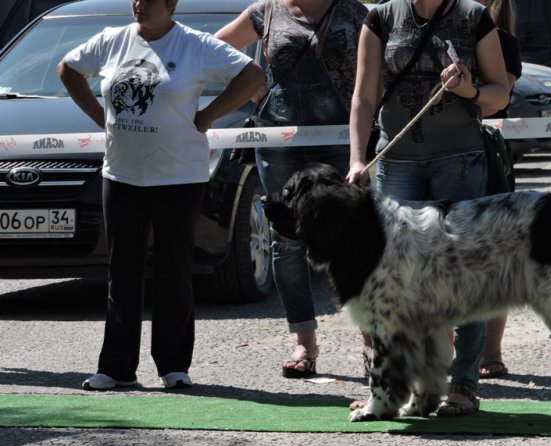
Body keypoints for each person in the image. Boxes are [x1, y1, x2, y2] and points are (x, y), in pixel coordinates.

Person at [60, 0, 264, 391]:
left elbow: (251, 74)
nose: (139, 5)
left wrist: (208, 116)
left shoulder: (195, 45)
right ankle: (116, 367)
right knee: (122, 270)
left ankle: (173, 366)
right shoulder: (111, 40)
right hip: (122, 175)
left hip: (178, 177)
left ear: (171, 4)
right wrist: (98, 117)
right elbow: (67, 69)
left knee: (173, 269)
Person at [347, 0, 509, 416]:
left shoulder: (474, 17)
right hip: (396, 165)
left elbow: (499, 94)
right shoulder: (380, 17)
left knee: (465, 276)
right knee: (396, 288)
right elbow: (364, 98)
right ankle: (398, 388)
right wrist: (356, 159)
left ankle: (464, 387)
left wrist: (468, 90)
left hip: (461, 163)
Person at [215, 0, 367, 379]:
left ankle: (372, 342)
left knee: (351, 241)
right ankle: (304, 342)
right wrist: (257, 89)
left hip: (340, 136)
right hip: (278, 140)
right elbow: (216, 48)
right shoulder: (265, 11)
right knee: (287, 241)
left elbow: (378, 63)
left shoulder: (354, 11)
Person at [477, 0, 521, 380]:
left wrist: (462, 89)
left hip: (490, 160)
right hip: (441, 152)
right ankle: (457, 354)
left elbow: (494, 106)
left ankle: (491, 351)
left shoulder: (503, 42)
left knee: (495, 263)